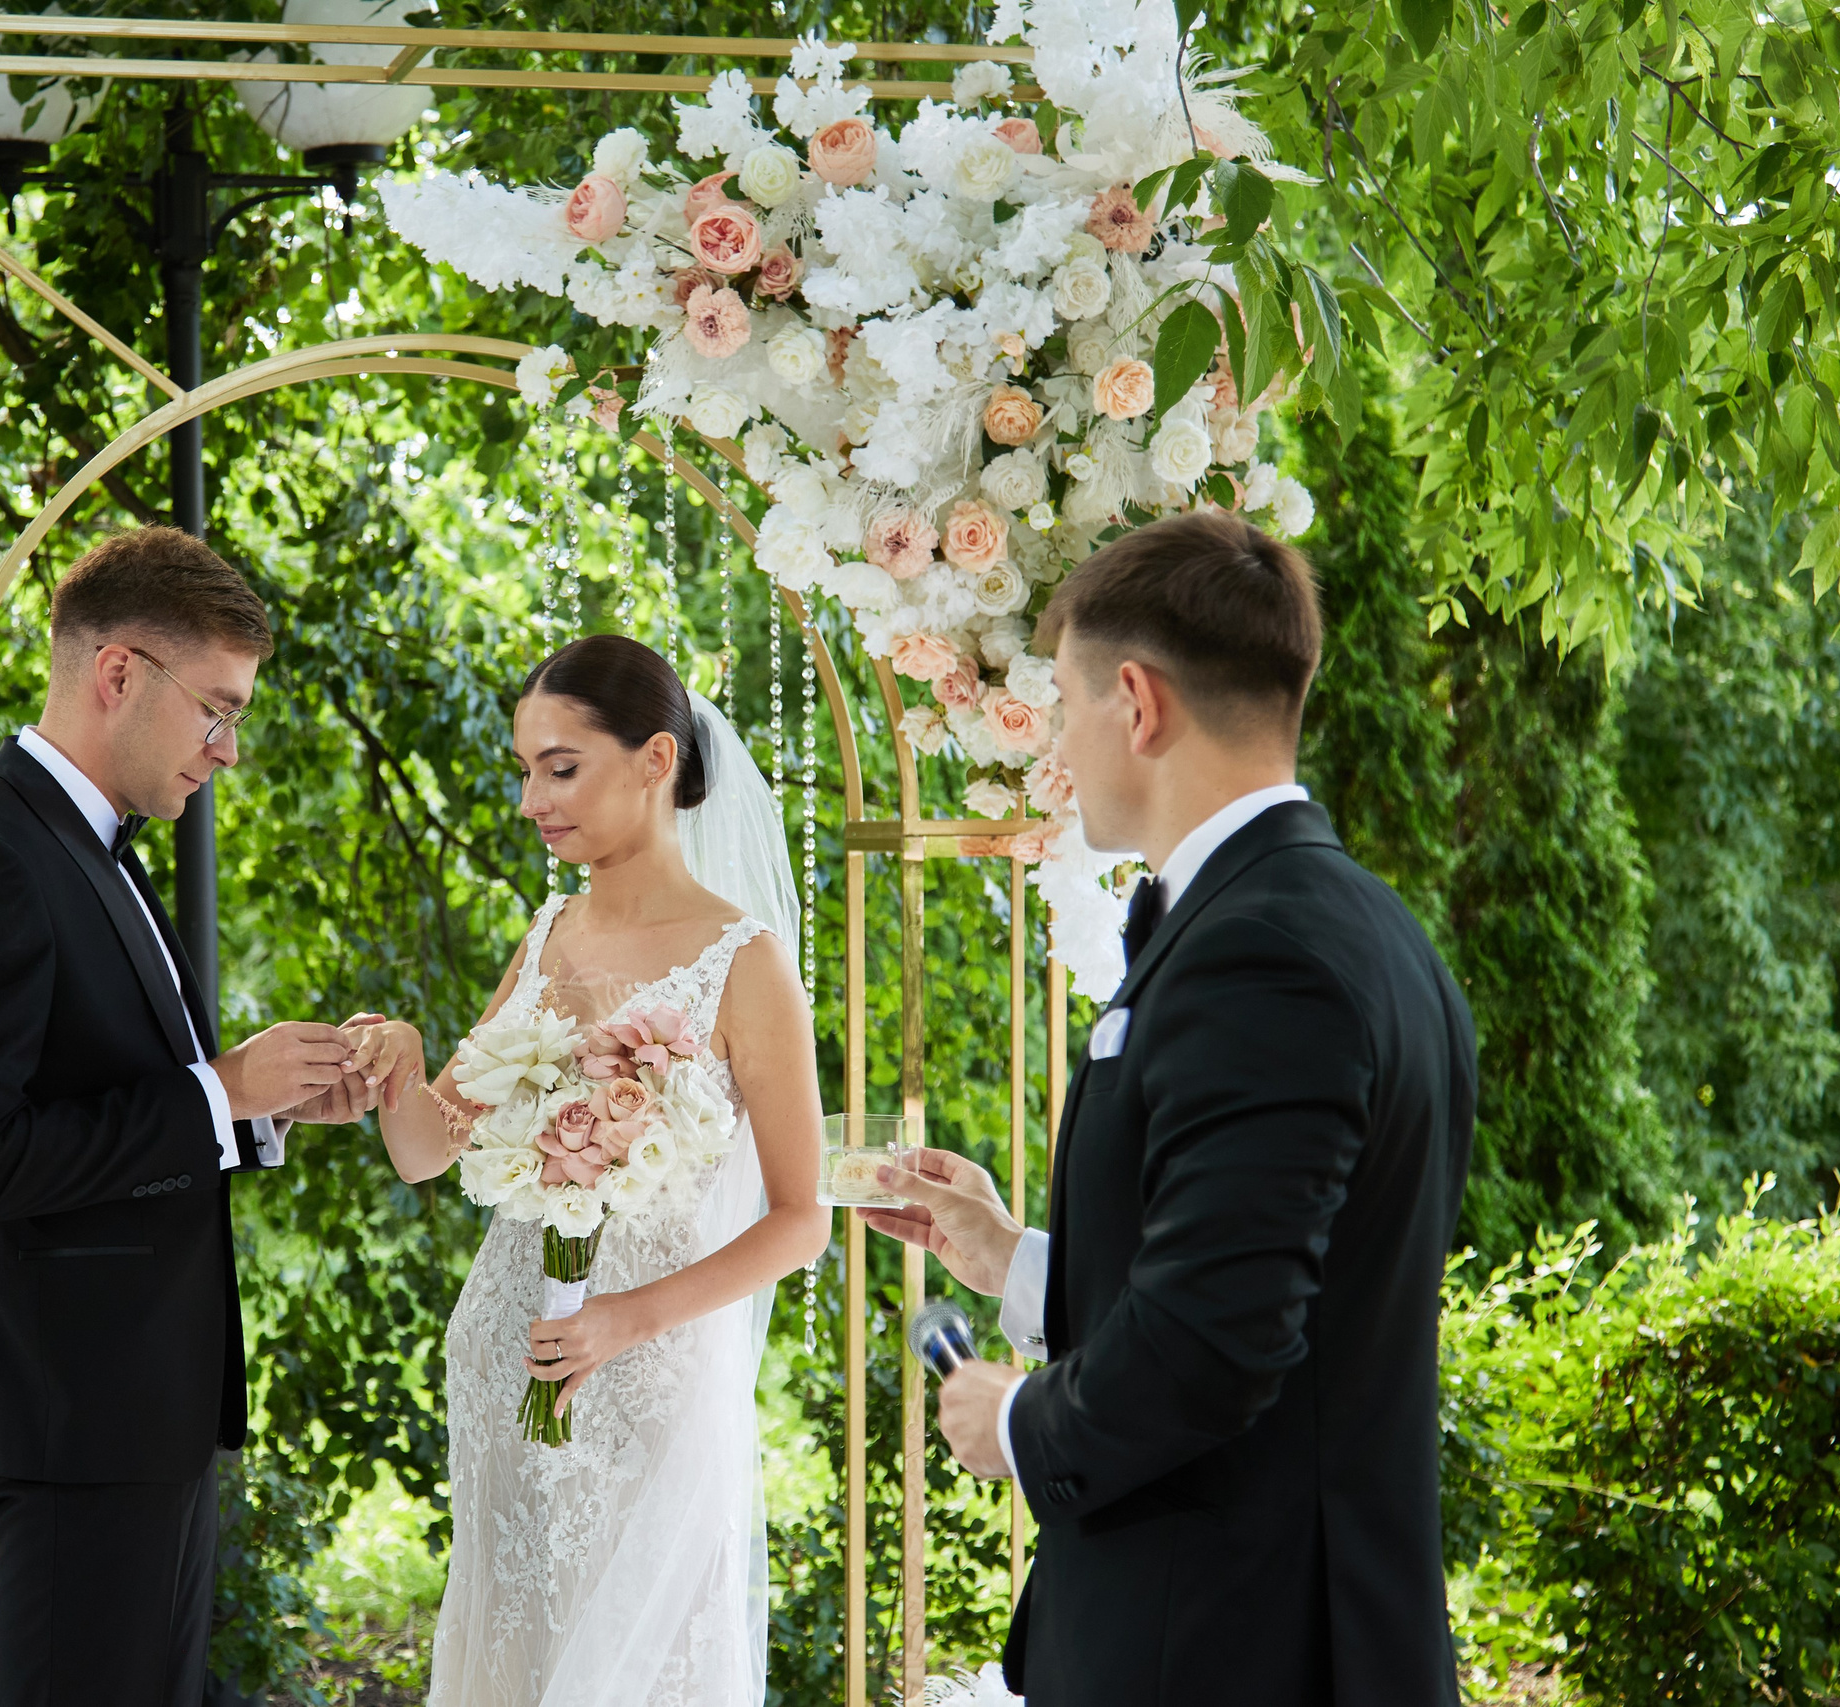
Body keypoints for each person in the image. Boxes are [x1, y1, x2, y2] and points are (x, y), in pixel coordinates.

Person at [861, 509, 1475, 1705]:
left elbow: (1219, 1336)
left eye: (1062, 704)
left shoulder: (1259, 954)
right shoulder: (1362, 926)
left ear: (1135, 704)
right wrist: (1014, 1263)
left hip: (1227, 1643)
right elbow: (1270, 1277)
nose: (1055, 744)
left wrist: (1025, 1427)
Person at [0, 527, 381, 1707]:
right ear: (118, 675)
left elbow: (111, 1096)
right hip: (67, 1416)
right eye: (216, 707)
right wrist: (221, 1092)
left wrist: (269, 1107)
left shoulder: (95, 846)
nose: (229, 750)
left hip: (132, 1410)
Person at [347, 635, 828, 1707]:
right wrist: (404, 1063)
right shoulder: (548, 932)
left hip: (647, 1389)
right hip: (507, 1365)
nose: (531, 801)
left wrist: (625, 1319)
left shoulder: (743, 964)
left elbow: (802, 1221)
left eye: (559, 768)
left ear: (656, 761)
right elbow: (428, 1152)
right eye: (524, 770)